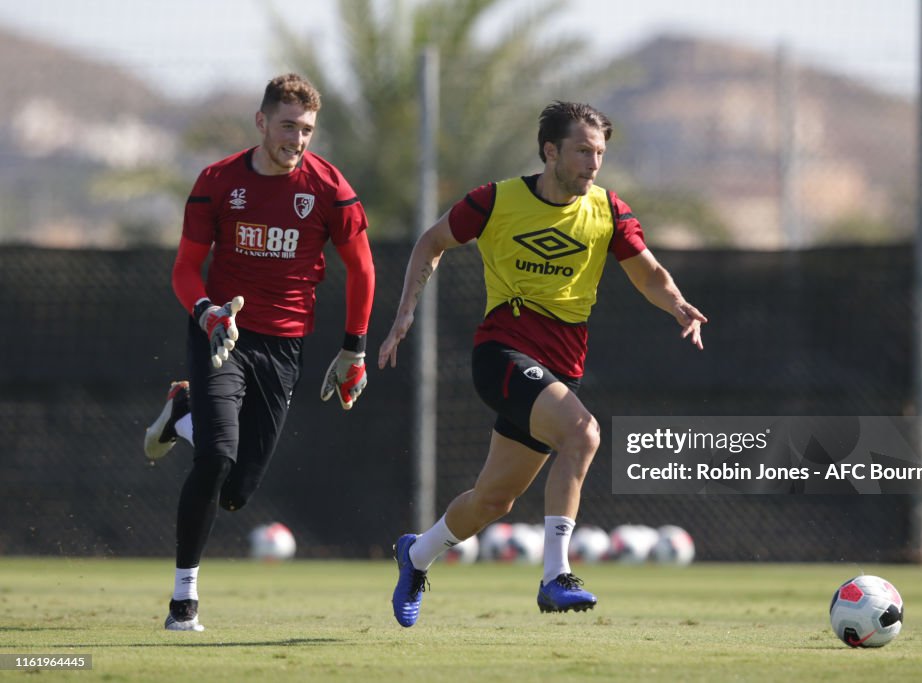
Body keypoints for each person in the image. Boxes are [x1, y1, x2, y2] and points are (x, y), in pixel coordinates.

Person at [378, 101, 706, 627]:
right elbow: (432, 242)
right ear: (550, 151)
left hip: (560, 366)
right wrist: (404, 312)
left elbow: (647, 273)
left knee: (493, 501)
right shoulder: (495, 200)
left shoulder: (608, 210)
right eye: (582, 151)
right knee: (583, 434)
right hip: (502, 353)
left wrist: (676, 303)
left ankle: (416, 555)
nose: (593, 163)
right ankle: (556, 576)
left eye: (599, 152)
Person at [143, 73, 376, 632]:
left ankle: (182, 410)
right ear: (262, 122)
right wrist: (205, 312)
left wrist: (354, 352)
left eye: (308, 130)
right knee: (216, 457)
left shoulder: (329, 187)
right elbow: (184, 268)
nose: (298, 140)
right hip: (224, 333)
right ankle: (183, 602)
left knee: (237, 493)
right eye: (288, 126)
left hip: (285, 347)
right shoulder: (217, 180)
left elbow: (362, 268)